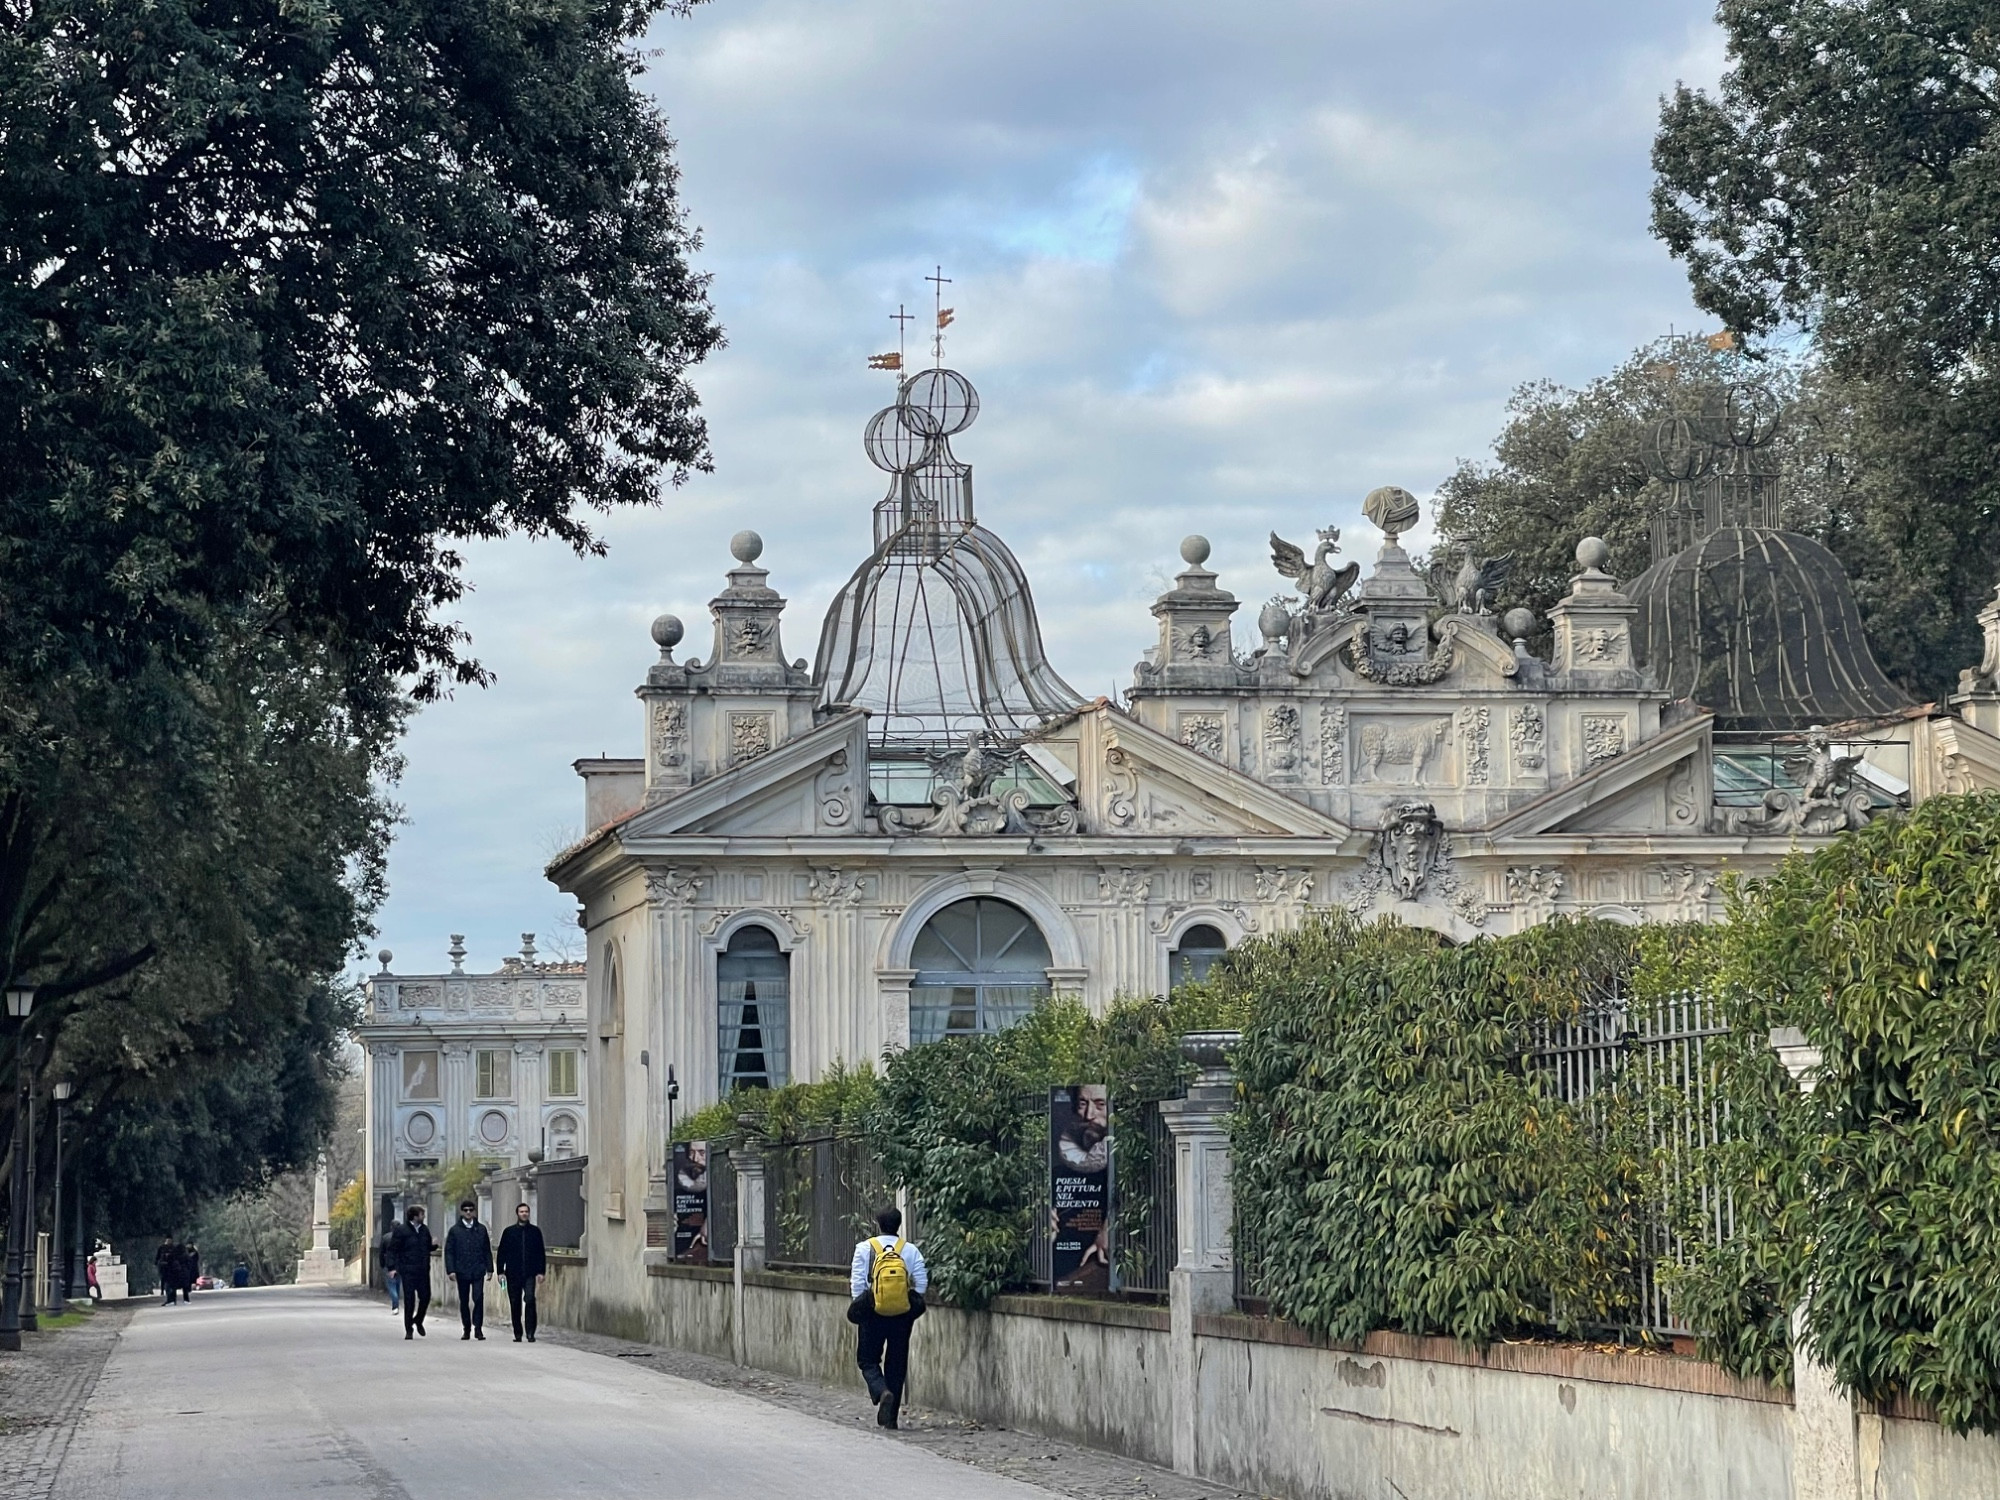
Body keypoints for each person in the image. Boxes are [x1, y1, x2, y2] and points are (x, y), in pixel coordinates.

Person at [848, 1206, 927, 1429]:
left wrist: (863, 1306)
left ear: (878, 1224)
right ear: (899, 1224)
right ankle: (890, 1419)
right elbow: (921, 1283)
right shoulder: (910, 1250)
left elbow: (857, 1285)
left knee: (867, 1359)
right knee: (897, 1363)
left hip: (872, 1312)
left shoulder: (865, 1248)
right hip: (902, 1314)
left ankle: (881, 1391)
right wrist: (908, 1302)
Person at [495, 1201, 546, 1344]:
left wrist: (541, 1271)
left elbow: (540, 1252)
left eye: (526, 1211)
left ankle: (530, 1332)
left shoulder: (535, 1232)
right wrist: (500, 1272)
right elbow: (502, 1252)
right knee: (515, 1302)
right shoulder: (509, 1232)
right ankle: (518, 1332)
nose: (524, 1214)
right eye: (521, 1211)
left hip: (530, 1272)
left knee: (530, 1299)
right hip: (513, 1273)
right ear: (517, 1214)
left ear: (529, 1213)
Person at [443, 1200, 493, 1342]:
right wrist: (451, 1270)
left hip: (478, 1269)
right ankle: (466, 1328)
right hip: (461, 1270)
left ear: (475, 1211)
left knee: (478, 1298)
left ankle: (478, 1328)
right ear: (462, 1212)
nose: (469, 1212)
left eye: (471, 1210)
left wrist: (490, 1268)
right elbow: (449, 1252)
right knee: (464, 1300)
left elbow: (486, 1250)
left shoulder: (481, 1229)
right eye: (466, 1210)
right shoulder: (455, 1230)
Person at [386, 1204, 436, 1339]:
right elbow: (392, 1250)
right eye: (422, 1214)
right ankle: (409, 1329)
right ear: (415, 1216)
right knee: (409, 1301)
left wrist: (434, 1246)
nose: (424, 1217)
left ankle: (418, 1320)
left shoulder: (424, 1230)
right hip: (407, 1270)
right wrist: (392, 1267)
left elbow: (427, 1247)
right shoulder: (402, 1231)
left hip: (423, 1270)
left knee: (425, 1297)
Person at [155, 1238, 180, 1305]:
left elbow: (177, 1258)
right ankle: (170, 1299)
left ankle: (172, 1300)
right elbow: (158, 1259)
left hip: (172, 1270)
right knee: (168, 1285)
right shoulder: (162, 1248)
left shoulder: (174, 1249)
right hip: (166, 1270)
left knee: (171, 1286)